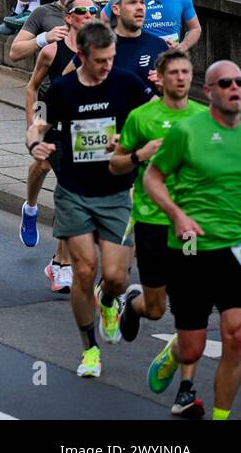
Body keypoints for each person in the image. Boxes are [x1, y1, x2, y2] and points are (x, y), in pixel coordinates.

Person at [26, 22, 153, 378]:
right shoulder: (63, 90)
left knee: (115, 276)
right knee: (84, 270)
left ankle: (109, 301)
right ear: (81, 56)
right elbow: (38, 123)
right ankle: (90, 350)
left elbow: (157, 115)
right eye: (100, 60)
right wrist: (35, 142)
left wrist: (135, 144)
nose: (107, 66)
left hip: (115, 192)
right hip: (75, 192)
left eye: (111, 58)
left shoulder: (127, 83)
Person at [108, 49, 207, 417]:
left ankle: (185, 389)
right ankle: (133, 304)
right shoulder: (141, 117)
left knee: (191, 306)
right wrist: (139, 155)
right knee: (156, 307)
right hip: (151, 223)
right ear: (161, 79)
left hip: (193, 227)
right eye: (174, 73)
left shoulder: (204, 119)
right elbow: (116, 165)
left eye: (186, 72)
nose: (181, 78)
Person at [142, 59, 241, 421]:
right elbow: (153, 177)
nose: (235, 88)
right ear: (210, 91)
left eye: (239, 82)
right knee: (192, 348)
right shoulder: (187, 132)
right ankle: (176, 352)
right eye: (226, 83)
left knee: (236, 336)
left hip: (235, 248)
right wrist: (177, 214)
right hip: (191, 247)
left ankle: (220, 416)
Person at [21, 0, 99, 287]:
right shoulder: (52, 52)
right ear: (68, 18)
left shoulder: (103, 48)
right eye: (82, 11)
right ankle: (30, 207)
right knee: (41, 168)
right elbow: (33, 88)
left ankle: (60, 262)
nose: (89, 14)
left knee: (72, 190)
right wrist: (33, 127)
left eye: (93, 10)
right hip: (52, 121)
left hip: (84, 128)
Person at [107, 0, 169, 90]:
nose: (140, 7)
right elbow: (69, 79)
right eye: (132, 2)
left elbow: (175, 93)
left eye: (142, 2)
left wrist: (166, 86)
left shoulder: (159, 45)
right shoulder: (100, 45)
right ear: (116, 9)